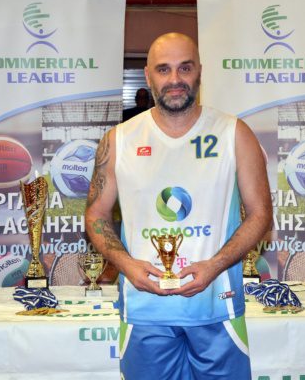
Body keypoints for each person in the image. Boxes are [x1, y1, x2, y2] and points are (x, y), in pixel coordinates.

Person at [85, 32, 272, 380]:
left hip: (217, 305)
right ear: (148, 76)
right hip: (145, 308)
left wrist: (215, 265)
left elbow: (261, 214)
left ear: (200, 71)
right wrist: (126, 264)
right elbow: (96, 214)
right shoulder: (118, 140)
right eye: (163, 69)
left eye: (184, 68)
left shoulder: (234, 133)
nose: (175, 79)